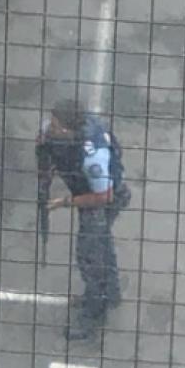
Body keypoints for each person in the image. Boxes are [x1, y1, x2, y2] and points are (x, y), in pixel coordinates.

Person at [37, 99, 124, 341]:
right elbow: (44, 147)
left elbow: (103, 197)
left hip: (104, 197)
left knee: (90, 255)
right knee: (102, 245)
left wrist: (64, 202)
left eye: (54, 126)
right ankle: (112, 292)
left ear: (67, 129)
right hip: (92, 190)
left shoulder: (92, 156)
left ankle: (93, 315)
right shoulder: (66, 132)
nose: (48, 128)